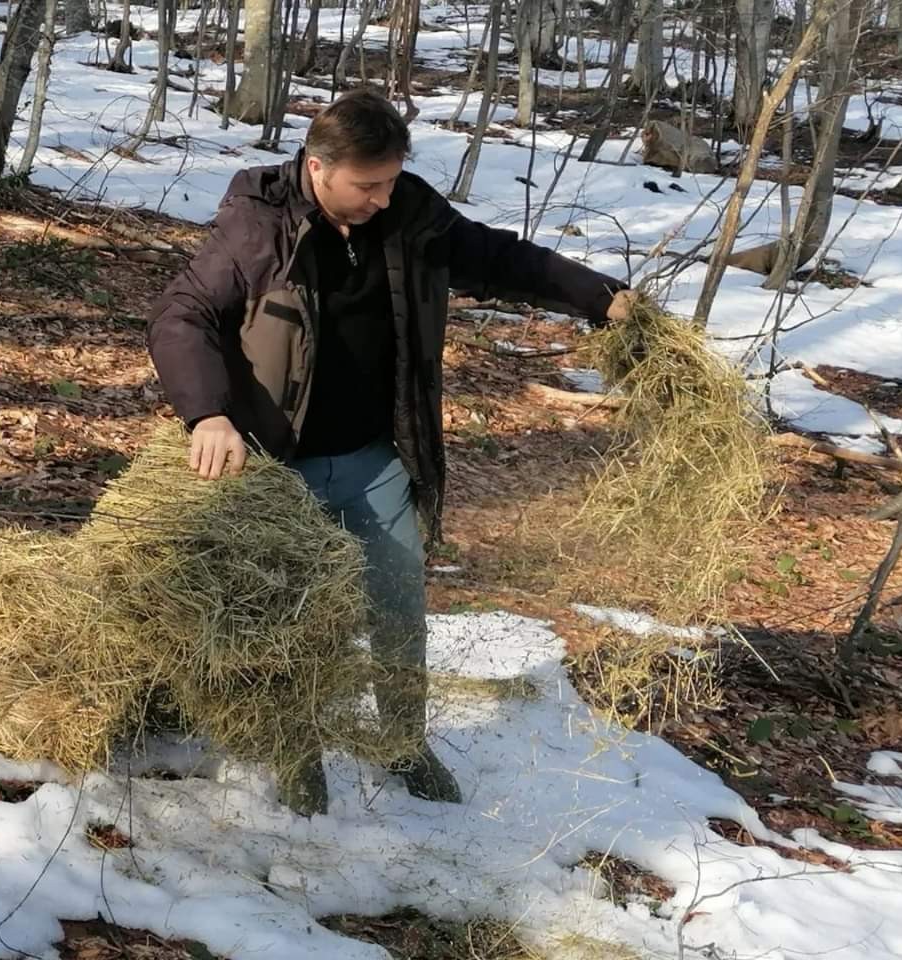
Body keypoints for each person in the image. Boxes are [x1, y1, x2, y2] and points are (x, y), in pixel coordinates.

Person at [147, 88, 634, 817]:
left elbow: (498, 257)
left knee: (398, 608)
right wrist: (207, 415)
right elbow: (181, 315)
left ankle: (404, 740)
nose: (380, 198)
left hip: (377, 457)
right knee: (296, 619)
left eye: (390, 181)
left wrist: (601, 298)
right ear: (318, 168)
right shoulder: (259, 225)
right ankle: (297, 749)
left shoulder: (409, 212)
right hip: (282, 467)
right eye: (366, 185)